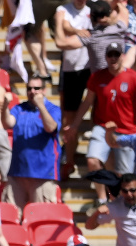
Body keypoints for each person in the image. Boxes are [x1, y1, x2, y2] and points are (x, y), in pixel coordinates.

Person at [66, 41, 136, 201]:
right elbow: (87, 102)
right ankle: (102, 199)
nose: (113, 58)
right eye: (110, 54)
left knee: (125, 174)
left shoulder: (133, 78)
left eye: (116, 54)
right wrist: (75, 124)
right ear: (105, 57)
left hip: (127, 130)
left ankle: (119, 200)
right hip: (103, 127)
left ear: (122, 56)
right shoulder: (97, 77)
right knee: (92, 160)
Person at [4, 76, 62, 210]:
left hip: (42, 173)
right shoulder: (20, 109)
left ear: (44, 91)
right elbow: (8, 123)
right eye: (29, 89)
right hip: (17, 173)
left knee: (42, 217)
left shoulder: (53, 109)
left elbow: (51, 127)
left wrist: (40, 105)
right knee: (12, 217)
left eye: (36, 88)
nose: (32, 92)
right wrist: (5, 106)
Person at [55, 0, 92, 179]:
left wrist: (72, 30)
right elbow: (63, 27)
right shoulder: (62, 9)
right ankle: (69, 160)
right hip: (70, 70)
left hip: (90, 67)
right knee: (68, 117)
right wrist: (78, 31)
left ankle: (94, 158)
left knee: (100, 113)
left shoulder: (94, 8)